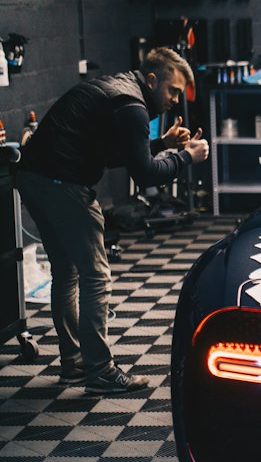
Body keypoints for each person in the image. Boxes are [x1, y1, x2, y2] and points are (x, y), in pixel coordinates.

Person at [16, 47, 210, 394]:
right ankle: (101, 371)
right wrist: (185, 156)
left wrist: (160, 142)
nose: (176, 100)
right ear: (152, 80)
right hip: (65, 183)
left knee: (66, 272)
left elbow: (115, 152)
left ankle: (74, 365)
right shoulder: (133, 107)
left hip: (34, 178)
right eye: (173, 91)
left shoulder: (121, 91)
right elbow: (147, 174)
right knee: (96, 276)